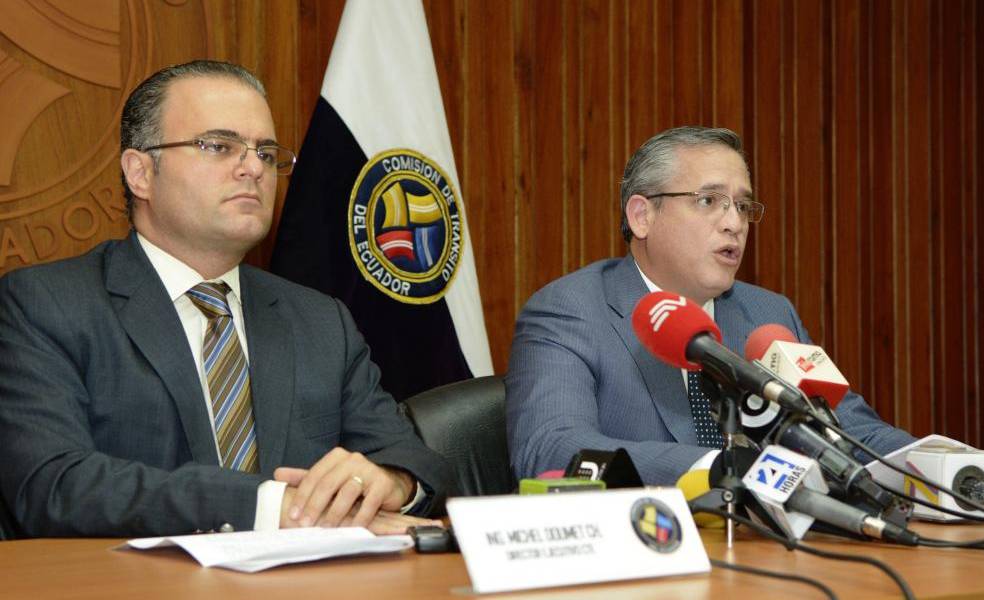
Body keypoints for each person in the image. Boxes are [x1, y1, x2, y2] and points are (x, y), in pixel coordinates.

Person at [0, 60, 453, 537]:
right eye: (219, 146)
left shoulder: (320, 320)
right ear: (140, 173)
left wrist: (389, 482)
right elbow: (53, 485)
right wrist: (273, 507)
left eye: (266, 153)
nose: (254, 168)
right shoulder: (46, 305)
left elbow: (413, 459)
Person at [505, 126, 915, 485]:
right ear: (642, 216)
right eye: (708, 201)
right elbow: (551, 448)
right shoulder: (571, 311)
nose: (734, 223)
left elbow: (852, 432)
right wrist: (724, 470)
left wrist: (938, 463)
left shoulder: (768, 314)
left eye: (742, 206)